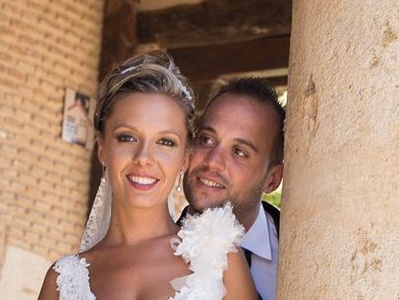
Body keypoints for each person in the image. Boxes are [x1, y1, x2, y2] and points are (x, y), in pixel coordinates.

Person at [37, 52, 256, 300]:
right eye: (127, 137)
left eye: (165, 142)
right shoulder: (61, 280)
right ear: (102, 148)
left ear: (184, 158)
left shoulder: (219, 259)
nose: (144, 157)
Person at [182, 78, 285, 300]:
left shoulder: (306, 254)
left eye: (239, 151)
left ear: (272, 179)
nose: (213, 162)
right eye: (207, 139)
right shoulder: (155, 250)